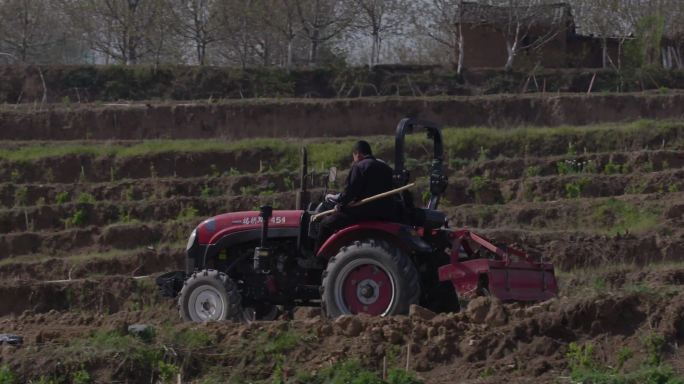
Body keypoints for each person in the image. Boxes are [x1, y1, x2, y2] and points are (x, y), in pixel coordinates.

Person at [316, 140, 397, 250]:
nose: (354, 160)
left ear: (358, 154)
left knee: (325, 224)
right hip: (384, 213)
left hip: (362, 213)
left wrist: (339, 204)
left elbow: (350, 192)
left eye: (353, 156)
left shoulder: (359, 167)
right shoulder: (387, 169)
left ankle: (317, 259)